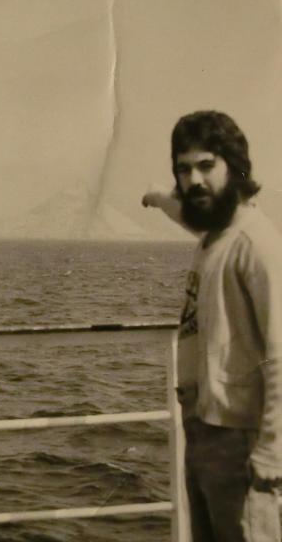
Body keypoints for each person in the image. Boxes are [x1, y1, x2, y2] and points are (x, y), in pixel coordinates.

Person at [143, 110, 282, 542]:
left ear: (234, 167)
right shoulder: (216, 236)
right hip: (203, 432)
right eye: (183, 170)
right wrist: (157, 197)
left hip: (241, 443)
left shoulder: (254, 245)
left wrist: (273, 454)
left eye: (206, 165)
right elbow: (189, 212)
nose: (194, 180)